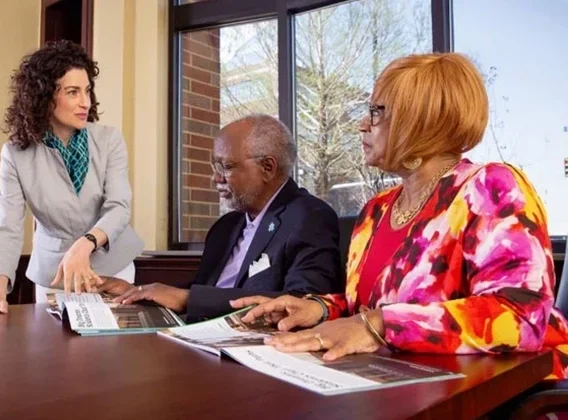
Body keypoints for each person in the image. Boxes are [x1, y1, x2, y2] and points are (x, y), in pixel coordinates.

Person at [232, 52, 568, 378]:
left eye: (376, 112)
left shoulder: (491, 187)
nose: (362, 124)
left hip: (502, 395)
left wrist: (378, 326)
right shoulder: (376, 209)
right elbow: (366, 312)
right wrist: (317, 309)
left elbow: (521, 316)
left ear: (421, 117)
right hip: (390, 383)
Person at [0, 40, 143, 316]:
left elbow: (119, 207)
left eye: (87, 90)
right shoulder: (15, 154)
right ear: (44, 96)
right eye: (73, 92)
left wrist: (84, 245)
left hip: (112, 270)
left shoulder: (109, 140)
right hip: (54, 278)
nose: (85, 102)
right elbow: (7, 228)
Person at [99, 114, 343, 322]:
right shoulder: (226, 227)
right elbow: (208, 293)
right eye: (214, 167)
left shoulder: (310, 217)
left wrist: (188, 299)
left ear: (268, 167)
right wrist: (137, 291)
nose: (215, 179)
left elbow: (305, 303)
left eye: (225, 167)